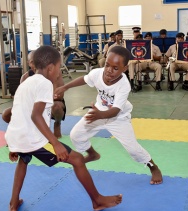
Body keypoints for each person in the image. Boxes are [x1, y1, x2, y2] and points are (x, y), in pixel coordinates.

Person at [5, 45, 122, 211]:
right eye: (59, 67)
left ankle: (13, 203)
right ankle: (97, 200)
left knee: (23, 161)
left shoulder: (26, 82)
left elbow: (17, 113)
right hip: (33, 140)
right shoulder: (45, 83)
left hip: (18, 137)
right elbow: (36, 116)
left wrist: (13, 145)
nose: (59, 72)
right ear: (51, 67)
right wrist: (55, 144)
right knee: (78, 160)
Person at [55, 46, 163, 185]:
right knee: (76, 135)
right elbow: (85, 79)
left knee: (133, 149)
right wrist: (66, 87)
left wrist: (100, 115)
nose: (109, 70)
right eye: (107, 65)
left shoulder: (123, 85)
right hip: (98, 112)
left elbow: (116, 110)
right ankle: (92, 154)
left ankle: (153, 167)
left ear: (124, 69)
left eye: (115, 68)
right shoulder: (97, 74)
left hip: (118, 118)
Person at [2, 51, 66, 138]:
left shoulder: (53, 74)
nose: (34, 64)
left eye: (36, 61)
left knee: (57, 107)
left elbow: (59, 95)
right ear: (29, 63)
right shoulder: (25, 77)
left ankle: (57, 124)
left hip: (51, 103)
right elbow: (21, 99)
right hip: (33, 105)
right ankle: (21, 131)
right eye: (32, 62)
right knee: (6, 114)